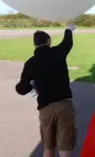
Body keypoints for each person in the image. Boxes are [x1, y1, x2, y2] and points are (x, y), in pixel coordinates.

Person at [15, 24, 77, 157]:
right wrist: (69, 29)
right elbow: (67, 43)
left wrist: (31, 85)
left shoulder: (30, 63)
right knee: (65, 146)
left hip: (45, 108)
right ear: (48, 41)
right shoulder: (57, 52)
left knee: (48, 147)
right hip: (64, 105)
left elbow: (21, 89)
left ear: (35, 44)